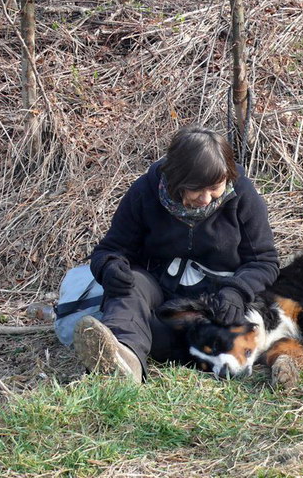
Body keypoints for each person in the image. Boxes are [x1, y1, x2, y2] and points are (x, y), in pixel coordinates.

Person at [73, 125, 280, 382]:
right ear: (176, 180)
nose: (206, 199)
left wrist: (237, 291)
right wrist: (109, 267)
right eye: (196, 189)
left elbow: (264, 261)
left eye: (215, 187)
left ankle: (149, 346)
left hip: (219, 305)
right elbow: (110, 249)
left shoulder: (243, 195)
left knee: (172, 336)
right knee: (128, 285)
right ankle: (124, 360)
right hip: (161, 296)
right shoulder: (146, 192)